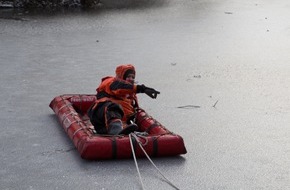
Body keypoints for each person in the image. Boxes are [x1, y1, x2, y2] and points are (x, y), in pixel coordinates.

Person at [88, 64, 160, 135]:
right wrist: (142, 89)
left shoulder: (130, 96)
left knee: (128, 113)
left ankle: (124, 129)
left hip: (122, 123)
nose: (131, 79)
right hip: (101, 119)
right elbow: (121, 87)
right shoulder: (111, 83)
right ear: (121, 77)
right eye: (128, 76)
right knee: (113, 106)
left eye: (133, 77)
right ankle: (116, 130)